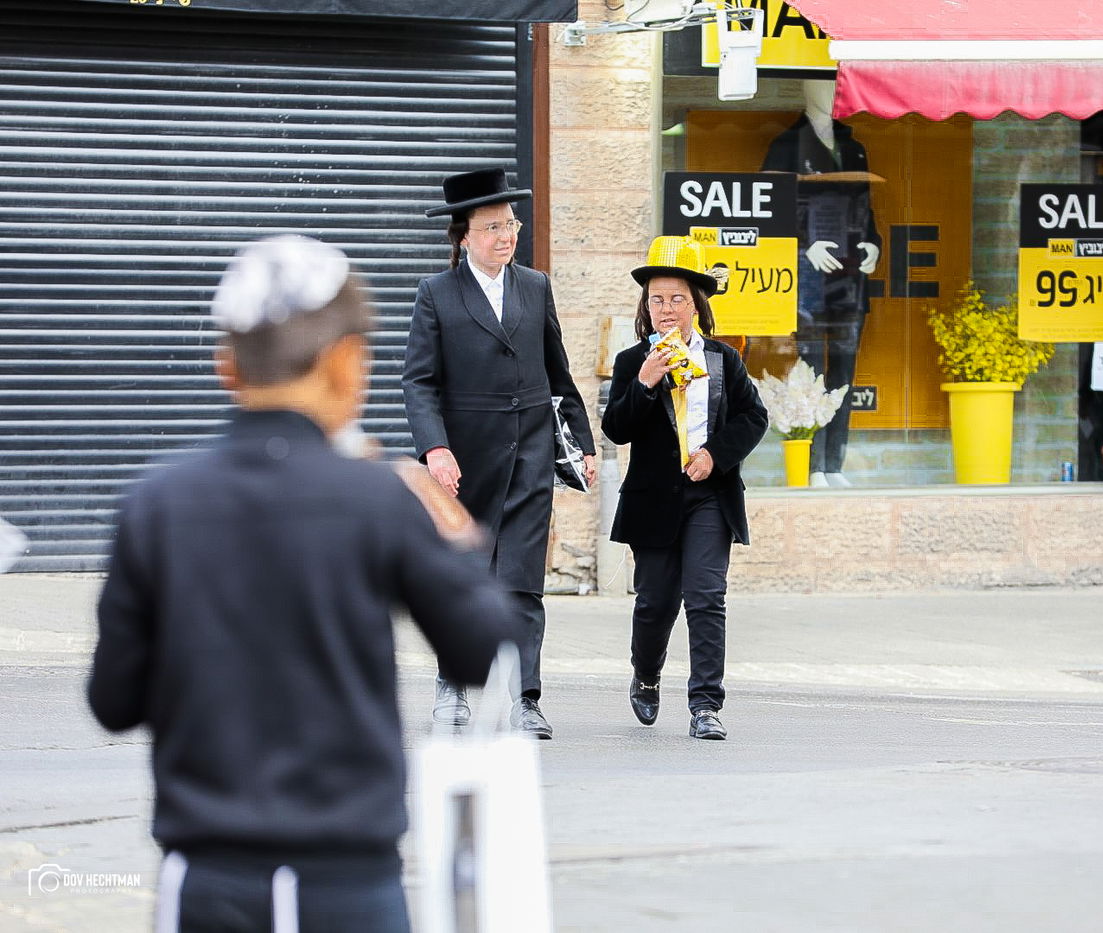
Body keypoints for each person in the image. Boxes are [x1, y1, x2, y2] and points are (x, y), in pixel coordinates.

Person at [88, 236, 517, 932]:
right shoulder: (377, 499)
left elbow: (113, 700)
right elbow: (481, 647)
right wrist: (453, 532)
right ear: (347, 364)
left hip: (204, 879)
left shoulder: (156, 504)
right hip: (348, 884)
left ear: (227, 368)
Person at [404, 168, 597, 738]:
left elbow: (558, 372)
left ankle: (525, 698)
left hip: (531, 453)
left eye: (510, 224)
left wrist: (581, 443)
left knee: (521, 581)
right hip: (463, 462)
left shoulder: (535, 286)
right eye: (493, 227)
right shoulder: (436, 294)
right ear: (464, 236)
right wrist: (435, 449)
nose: (506, 235)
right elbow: (418, 382)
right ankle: (451, 686)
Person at [601, 236, 768, 740]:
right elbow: (615, 428)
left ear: (697, 304)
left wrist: (716, 455)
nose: (666, 308)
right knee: (655, 602)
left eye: (677, 298)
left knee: (706, 595)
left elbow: (753, 417)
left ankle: (705, 704)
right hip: (653, 499)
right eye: (657, 299)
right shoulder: (634, 361)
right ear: (645, 306)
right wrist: (646, 383)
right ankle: (646, 675)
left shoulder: (722, 360)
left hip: (709, 496)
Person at [761, 79, 881, 488]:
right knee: (810, 370)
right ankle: (811, 465)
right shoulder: (786, 146)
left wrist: (873, 246)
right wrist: (802, 248)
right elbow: (769, 212)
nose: (830, 94)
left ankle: (835, 463)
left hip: (849, 281)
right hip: (808, 283)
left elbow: (865, 210)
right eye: (821, 86)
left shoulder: (854, 147)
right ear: (804, 91)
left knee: (844, 372)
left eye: (835, 86)